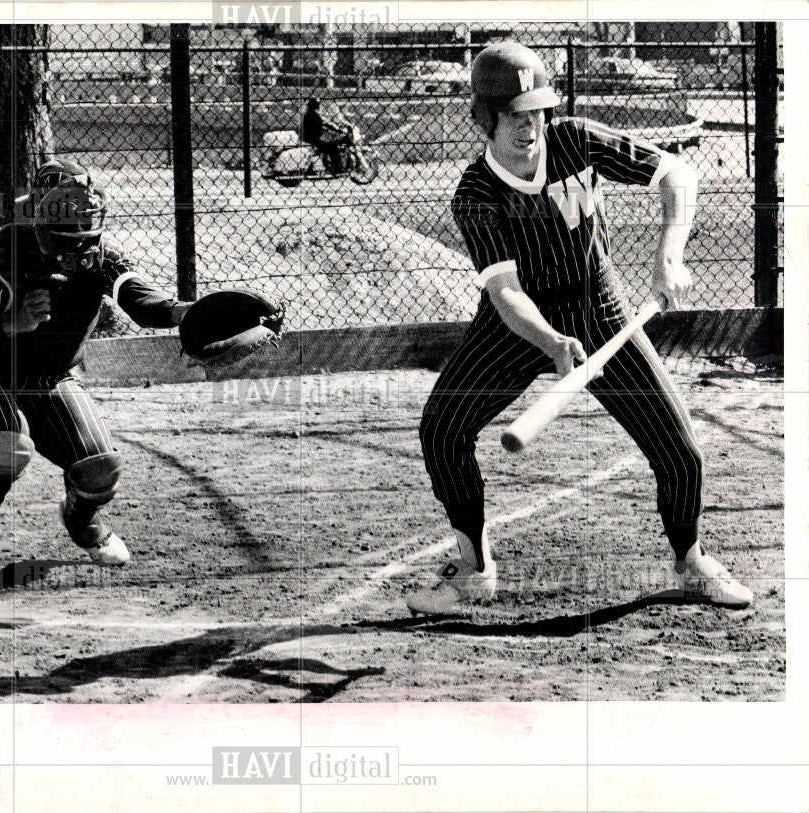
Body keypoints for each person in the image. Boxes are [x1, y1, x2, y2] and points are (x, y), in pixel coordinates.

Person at [405, 42, 752, 615]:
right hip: (514, 328)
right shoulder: (475, 194)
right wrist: (551, 342)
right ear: (484, 119)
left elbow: (677, 174)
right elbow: (506, 293)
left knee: (681, 450)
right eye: (514, 114)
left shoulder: (575, 139)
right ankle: (473, 568)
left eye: (537, 110)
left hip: (600, 310)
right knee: (441, 429)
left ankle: (690, 561)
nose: (530, 126)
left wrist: (670, 253)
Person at [0, 162, 191, 577]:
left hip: (50, 379)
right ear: (35, 216)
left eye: (84, 218)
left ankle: (81, 520)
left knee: (100, 470)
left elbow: (142, 301)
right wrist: (6, 324)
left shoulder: (101, 259)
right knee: (5, 447)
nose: (77, 234)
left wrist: (185, 313)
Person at [300, 97, 350, 174]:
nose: (318, 106)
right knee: (332, 146)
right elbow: (325, 124)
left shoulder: (309, 113)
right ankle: (337, 168)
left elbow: (323, 125)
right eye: (317, 104)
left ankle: (322, 166)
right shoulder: (313, 114)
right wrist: (338, 130)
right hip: (312, 139)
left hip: (310, 138)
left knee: (328, 144)